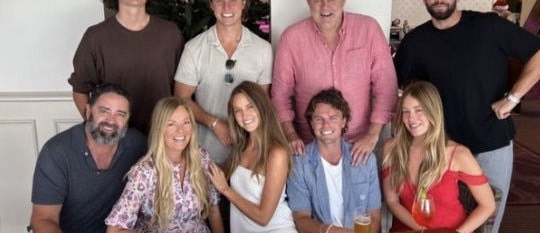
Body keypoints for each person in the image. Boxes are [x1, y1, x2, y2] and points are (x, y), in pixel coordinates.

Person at [393, 0, 540, 233]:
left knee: (487, 218)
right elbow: (395, 88)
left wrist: (513, 98)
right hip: (442, 148)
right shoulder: (415, 42)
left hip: (490, 140)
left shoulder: (489, 25)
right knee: (442, 218)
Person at [272, 0, 398, 166]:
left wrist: (373, 136)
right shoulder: (291, 37)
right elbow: (280, 95)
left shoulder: (368, 29)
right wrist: (290, 134)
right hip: (309, 147)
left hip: (359, 146)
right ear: (308, 2)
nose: (325, 7)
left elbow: (387, 88)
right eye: (318, 0)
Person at [68, 0, 184, 136]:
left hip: (163, 135)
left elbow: (183, 88)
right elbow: (80, 90)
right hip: (116, 138)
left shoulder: (170, 33)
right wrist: (98, 129)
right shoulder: (95, 37)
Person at [174, 0, 273, 165]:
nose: (226, 7)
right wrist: (214, 123)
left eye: (233, 0)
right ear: (211, 5)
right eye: (219, 0)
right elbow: (181, 99)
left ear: (244, 2)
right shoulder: (194, 48)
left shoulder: (263, 49)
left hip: (248, 154)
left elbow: (262, 103)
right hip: (205, 153)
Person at [29, 84, 147, 233]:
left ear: (128, 119)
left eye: (120, 114)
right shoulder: (56, 152)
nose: (111, 120)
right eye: (104, 111)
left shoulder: (138, 144)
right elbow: (43, 219)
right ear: (88, 110)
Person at [382, 81, 495, 232]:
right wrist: (421, 230)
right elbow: (392, 201)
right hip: (408, 228)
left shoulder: (458, 154)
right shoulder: (392, 148)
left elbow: (488, 206)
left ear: (433, 111)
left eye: (419, 110)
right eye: (406, 111)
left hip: (450, 229)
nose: (411, 118)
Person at [105, 97, 224, 233]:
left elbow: (213, 210)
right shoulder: (145, 171)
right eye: (171, 124)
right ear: (159, 128)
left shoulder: (201, 157)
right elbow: (113, 230)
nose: (181, 131)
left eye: (186, 122)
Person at [286, 88, 381, 233]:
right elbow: (300, 218)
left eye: (333, 118)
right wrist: (329, 230)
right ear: (311, 123)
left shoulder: (366, 160)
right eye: (319, 119)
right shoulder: (299, 163)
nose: (326, 125)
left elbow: (374, 216)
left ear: (343, 122)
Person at [207, 81, 297, 232]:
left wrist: (226, 190)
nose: (244, 115)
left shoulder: (277, 153)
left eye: (250, 107)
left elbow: (264, 217)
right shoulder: (241, 147)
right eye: (238, 110)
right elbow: (219, 174)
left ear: (262, 106)